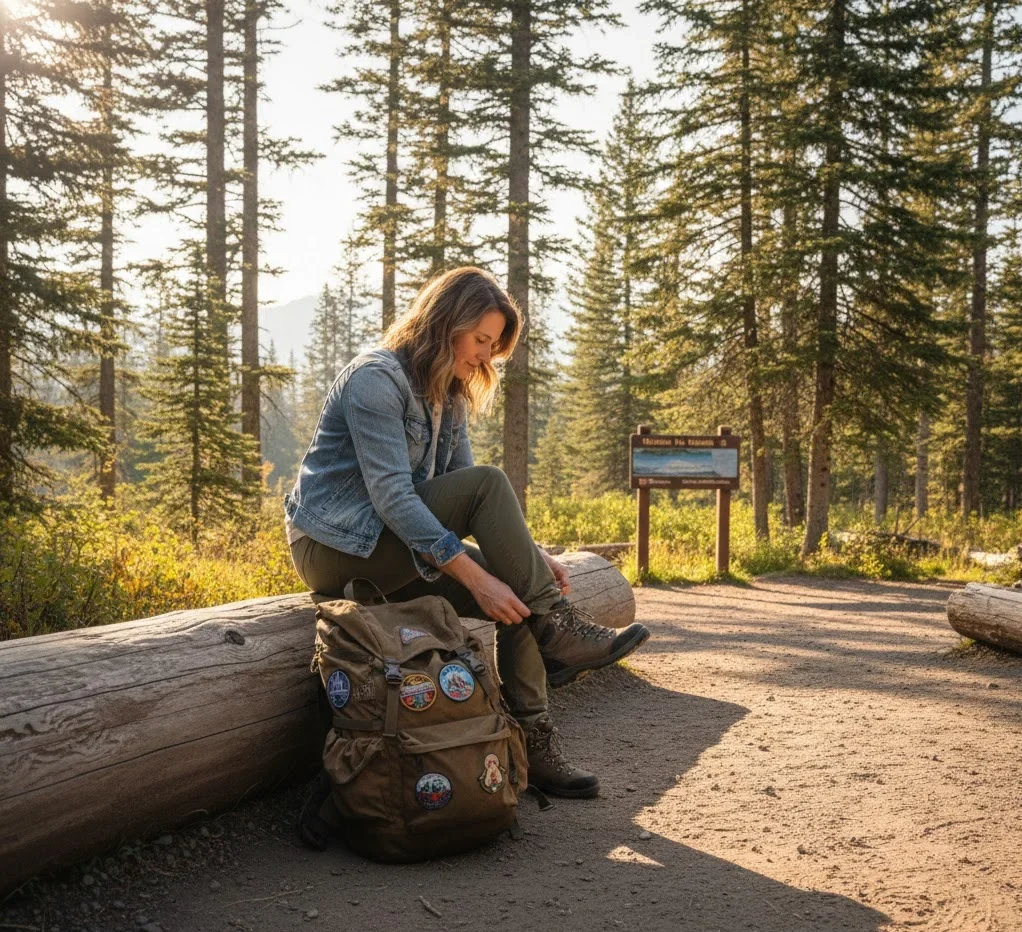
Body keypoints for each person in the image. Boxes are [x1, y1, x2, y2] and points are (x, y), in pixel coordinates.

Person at [284, 266, 650, 798]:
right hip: (335, 545)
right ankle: (557, 627)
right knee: (501, 554)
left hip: (393, 544)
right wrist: (477, 580)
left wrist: (530, 556)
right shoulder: (375, 379)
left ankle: (532, 741)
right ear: (443, 323)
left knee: (519, 591)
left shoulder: (448, 393)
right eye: (481, 340)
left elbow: (464, 494)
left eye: (493, 347)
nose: (485, 356)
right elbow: (396, 496)